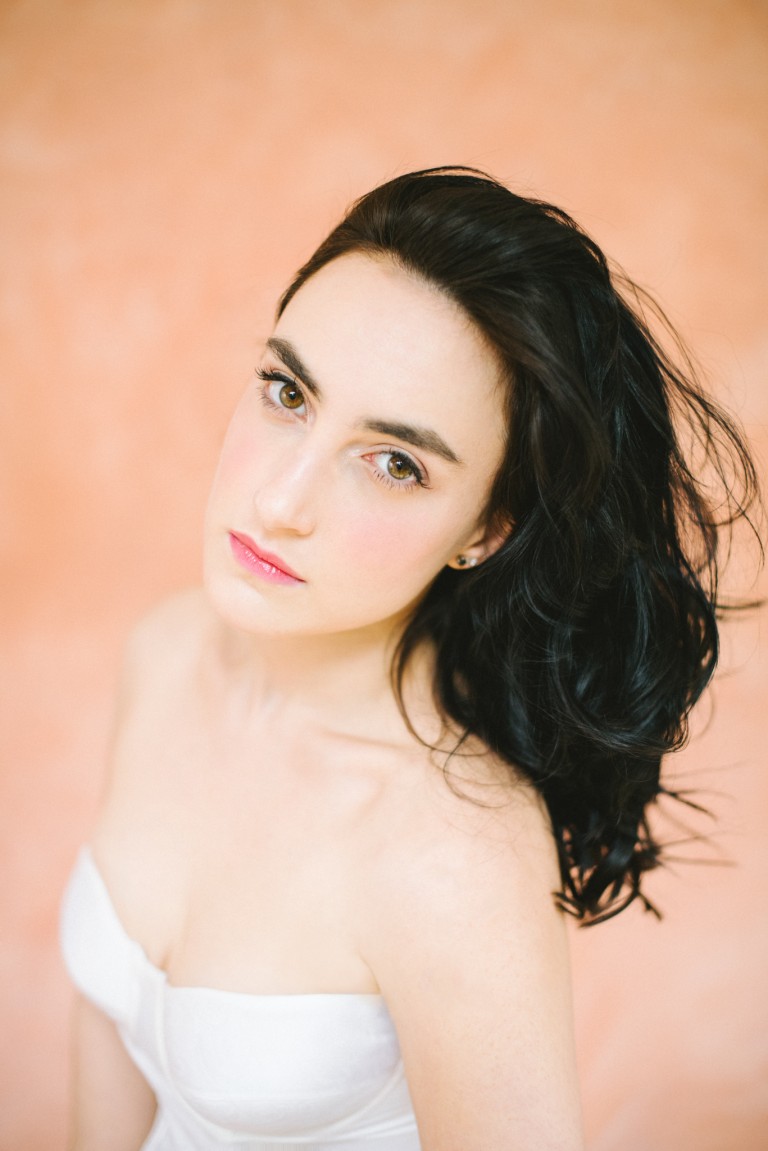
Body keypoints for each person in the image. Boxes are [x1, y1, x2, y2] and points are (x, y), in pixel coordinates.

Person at [59, 166, 760, 1150]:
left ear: (486, 528)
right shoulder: (167, 652)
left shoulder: (454, 855)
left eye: (395, 463)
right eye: (287, 392)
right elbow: (110, 1044)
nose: (280, 502)